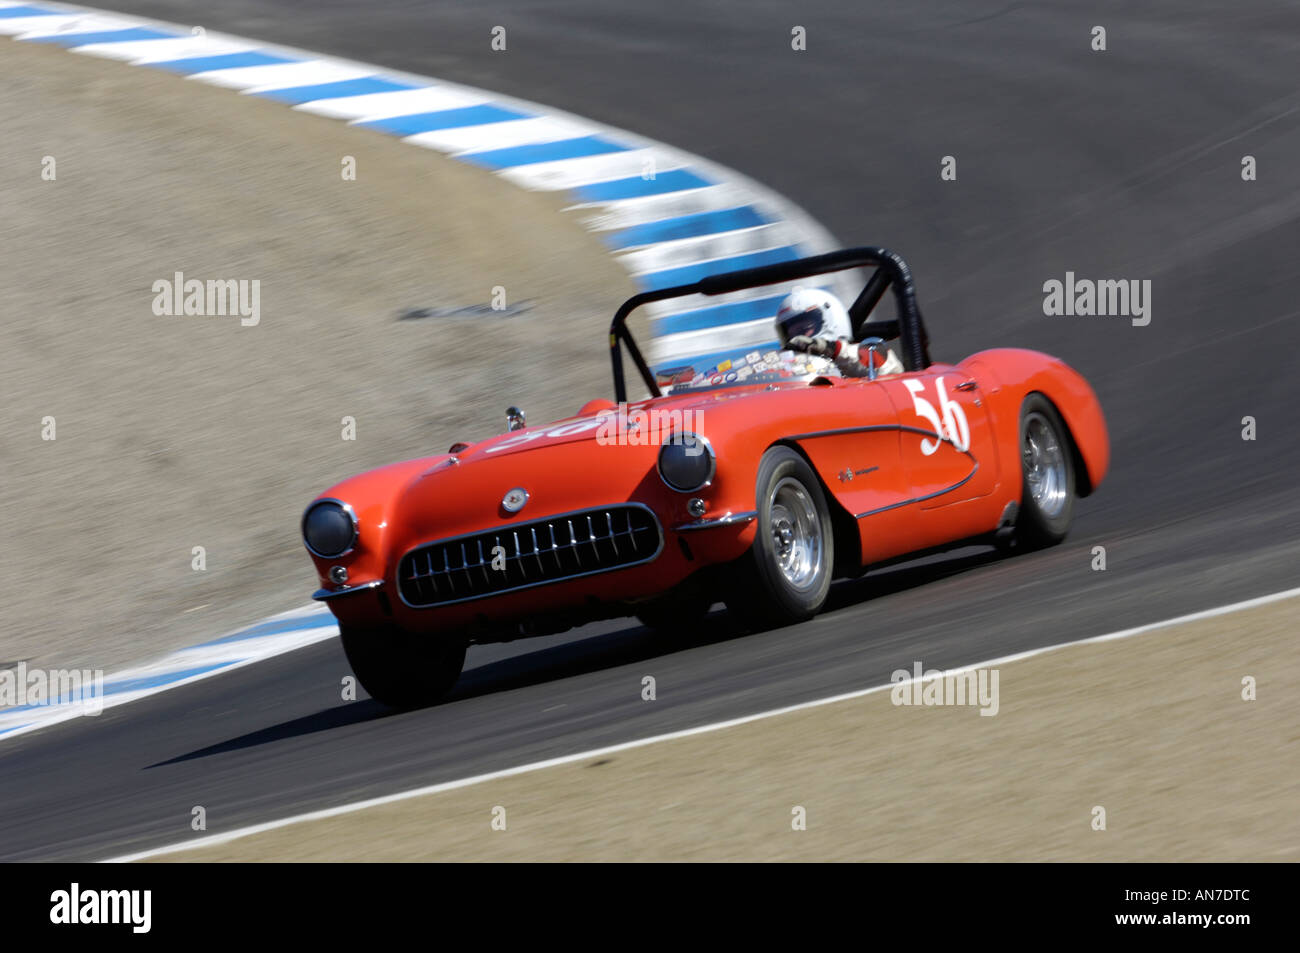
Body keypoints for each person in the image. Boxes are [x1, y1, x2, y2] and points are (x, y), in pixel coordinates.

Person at [774, 286, 902, 378]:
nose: (796, 339)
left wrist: (833, 350)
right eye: (790, 334)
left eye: (804, 328)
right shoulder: (785, 370)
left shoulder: (867, 355)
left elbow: (890, 372)